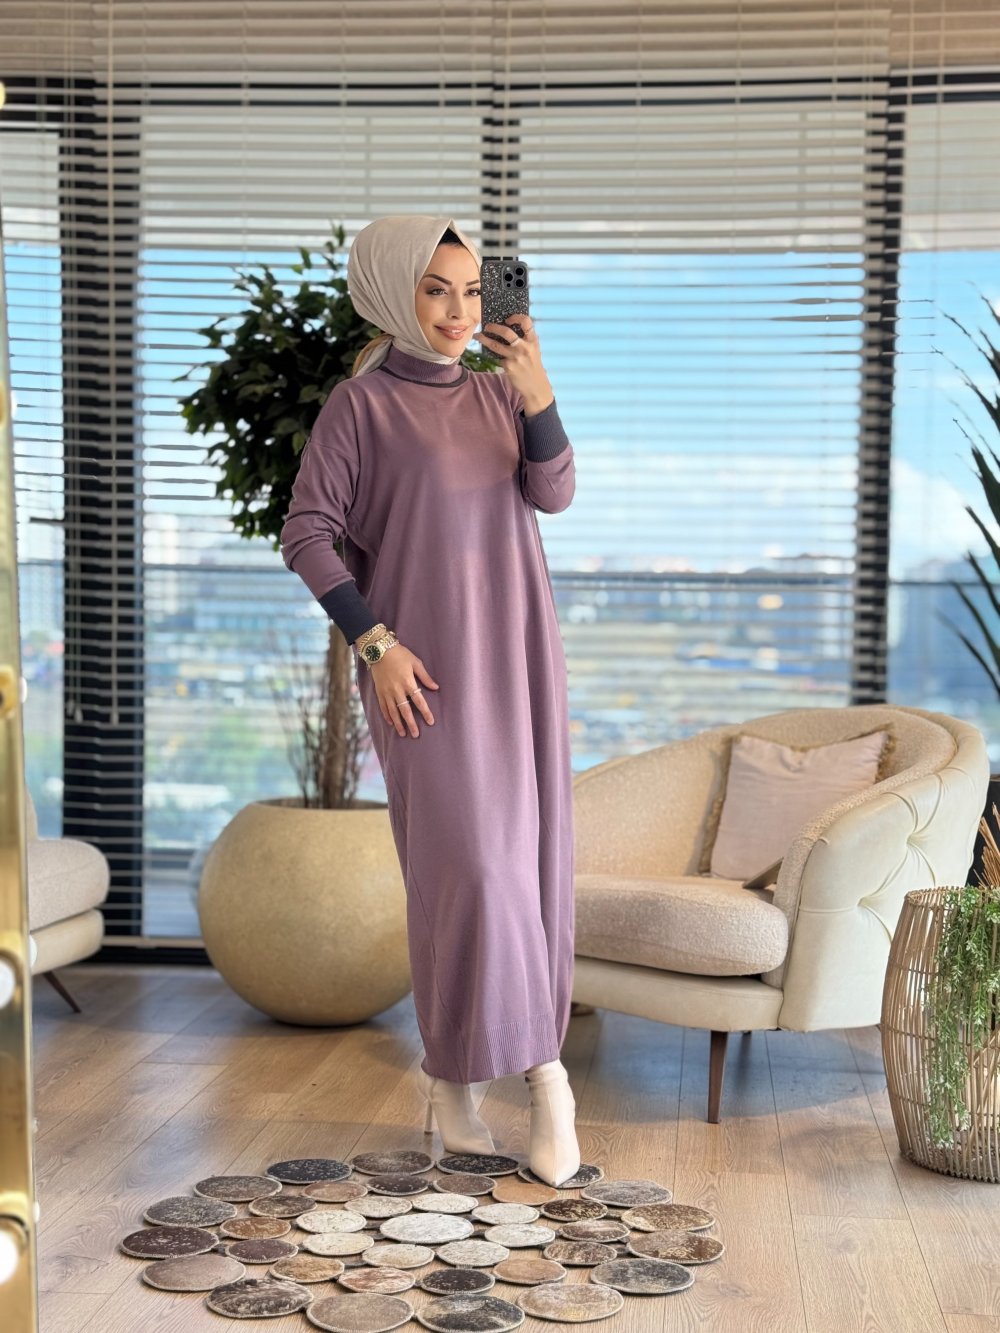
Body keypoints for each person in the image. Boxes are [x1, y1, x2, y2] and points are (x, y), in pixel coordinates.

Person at [279, 215, 580, 1186]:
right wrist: (375, 644)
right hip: (423, 680)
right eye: (435, 288)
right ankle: (545, 1081)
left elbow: (554, 493)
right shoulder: (359, 407)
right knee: (472, 875)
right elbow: (306, 533)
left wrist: (537, 392)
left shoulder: (498, 395)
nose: (457, 310)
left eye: (471, 290)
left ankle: (454, 1086)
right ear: (391, 292)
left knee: (527, 871)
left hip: (519, 663)